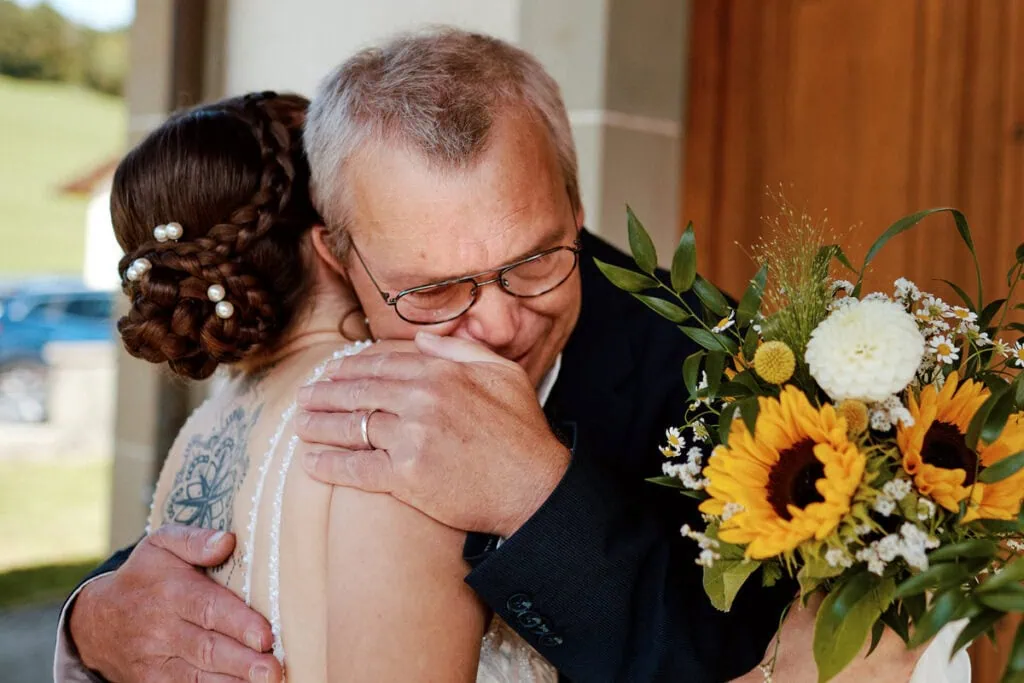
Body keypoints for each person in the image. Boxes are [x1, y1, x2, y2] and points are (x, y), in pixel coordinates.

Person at [58, 29, 923, 682]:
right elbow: (237, 513)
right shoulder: (316, 372)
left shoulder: (717, 362)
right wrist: (87, 619)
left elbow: (765, 649)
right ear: (339, 257)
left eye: (536, 260)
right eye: (435, 289)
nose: (503, 323)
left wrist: (537, 494)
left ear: (575, 207)